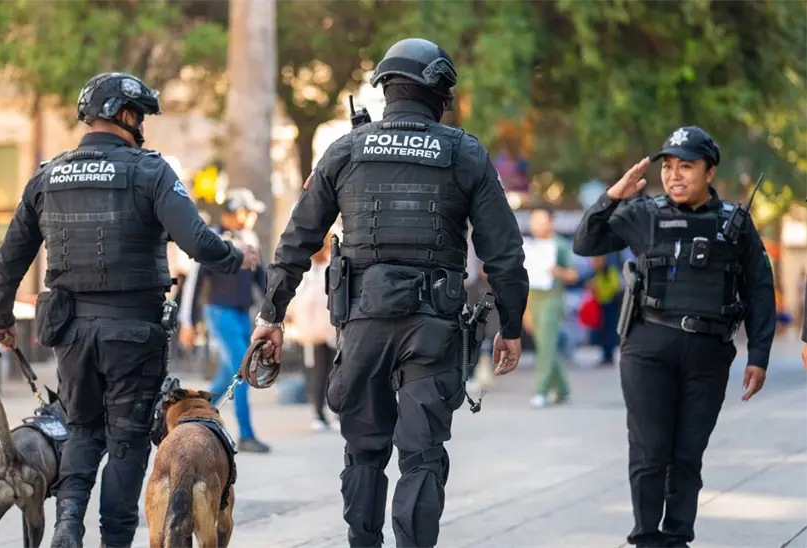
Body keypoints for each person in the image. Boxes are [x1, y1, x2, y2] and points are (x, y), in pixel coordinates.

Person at [246, 38, 529, 548]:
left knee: (364, 450)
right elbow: (504, 255)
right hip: (435, 328)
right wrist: (509, 327)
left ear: (384, 89)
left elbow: (297, 240)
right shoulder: (464, 154)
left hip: (363, 323)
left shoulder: (345, 151)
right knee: (422, 455)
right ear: (441, 92)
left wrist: (271, 313)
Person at [0, 72, 258, 548]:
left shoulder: (47, 175)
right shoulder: (150, 172)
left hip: (70, 333)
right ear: (125, 115)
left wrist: (3, 319)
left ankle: (68, 524)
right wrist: (239, 257)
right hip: (134, 332)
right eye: (140, 117)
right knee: (127, 441)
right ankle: (115, 540)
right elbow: (197, 242)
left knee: (82, 429)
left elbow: (11, 256)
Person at [573, 126, 775, 548]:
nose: (674, 175)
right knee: (649, 451)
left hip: (709, 353)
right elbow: (585, 243)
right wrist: (613, 196)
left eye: (686, 166)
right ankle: (647, 538)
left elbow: (758, 288)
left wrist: (759, 355)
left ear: (710, 170)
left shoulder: (734, 225)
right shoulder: (645, 213)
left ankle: (677, 537)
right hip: (648, 347)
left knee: (687, 454)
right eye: (668, 166)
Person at [178, 188, 271, 453]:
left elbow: (261, 281)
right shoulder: (213, 239)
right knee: (244, 369)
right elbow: (194, 283)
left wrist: (278, 310)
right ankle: (246, 434)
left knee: (227, 377)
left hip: (242, 315)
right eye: (249, 211)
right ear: (236, 212)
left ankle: (194, 416)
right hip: (218, 313)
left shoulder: (250, 239)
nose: (253, 216)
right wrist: (187, 322)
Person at [524, 206, 578, 407]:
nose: (536, 225)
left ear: (551, 222)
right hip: (534, 299)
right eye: (533, 221)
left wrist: (558, 272)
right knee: (546, 347)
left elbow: (573, 275)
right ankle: (563, 389)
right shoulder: (531, 246)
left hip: (552, 300)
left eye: (541, 220)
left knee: (546, 347)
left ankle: (542, 390)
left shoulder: (559, 245)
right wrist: (527, 310)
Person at [285, 231, 339, 431]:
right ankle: (319, 414)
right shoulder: (308, 272)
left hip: (330, 330)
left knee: (333, 373)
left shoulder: (329, 268)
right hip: (314, 331)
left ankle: (334, 414)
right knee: (320, 373)